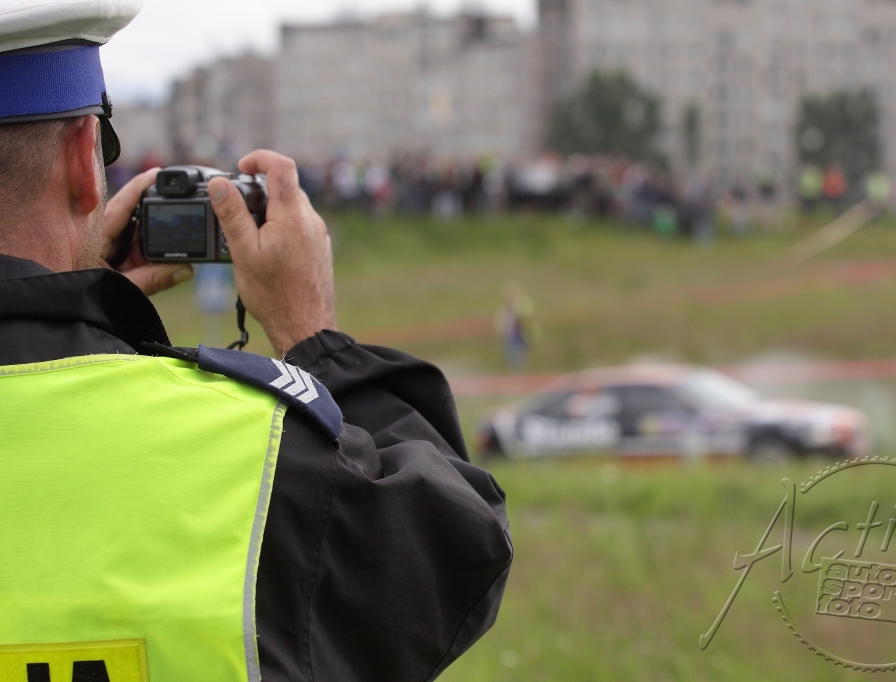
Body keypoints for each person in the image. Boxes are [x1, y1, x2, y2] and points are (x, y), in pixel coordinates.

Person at [0, 3, 512, 681]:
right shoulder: (251, 455)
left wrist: (70, 311)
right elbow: (455, 552)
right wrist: (313, 334)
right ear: (81, 162)